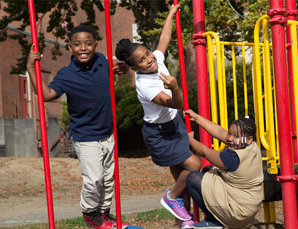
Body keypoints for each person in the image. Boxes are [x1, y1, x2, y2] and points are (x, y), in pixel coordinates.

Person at [27, 25, 127, 229]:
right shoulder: (66, 75)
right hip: (86, 136)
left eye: (88, 43)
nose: (84, 48)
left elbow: (118, 68)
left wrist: (122, 67)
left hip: (108, 133)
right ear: (70, 47)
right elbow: (47, 96)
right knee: (94, 179)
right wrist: (30, 67)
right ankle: (90, 213)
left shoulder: (101, 61)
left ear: (96, 45)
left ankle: (104, 213)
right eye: (78, 44)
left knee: (108, 179)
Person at [114, 4, 201, 228]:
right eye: (142, 61)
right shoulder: (145, 86)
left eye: (147, 53)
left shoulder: (157, 61)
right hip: (160, 133)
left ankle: (185, 219)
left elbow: (164, 38)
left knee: (182, 176)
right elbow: (176, 102)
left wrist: (171, 13)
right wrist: (175, 86)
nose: (149, 59)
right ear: (134, 68)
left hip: (174, 124)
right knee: (194, 166)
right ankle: (170, 198)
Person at [184, 109, 264, 229]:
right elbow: (219, 131)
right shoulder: (251, 146)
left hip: (237, 212)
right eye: (230, 133)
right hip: (247, 208)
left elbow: (205, 152)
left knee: (192, 178)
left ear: (249, 139)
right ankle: (217, 216)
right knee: (208, 171)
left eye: (236, 136)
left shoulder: (232, 157)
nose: (230, 138)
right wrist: (196, 117)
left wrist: (189, 139)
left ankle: (214, 220)